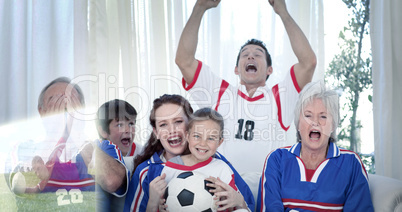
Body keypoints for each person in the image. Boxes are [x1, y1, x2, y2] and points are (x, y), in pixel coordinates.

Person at [175, 0, 317, 174]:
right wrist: (200, 8)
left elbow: (308, 62)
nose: (251, 57)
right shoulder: (220, 92)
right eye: (245, 55)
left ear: (269, 69)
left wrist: (284, 13)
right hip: (222, 191)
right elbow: (184, 60)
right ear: (236, 69)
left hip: (267, 192)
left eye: (257, 55)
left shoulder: (281, 97)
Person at [124, 94, 254, 212]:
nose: (172, 130)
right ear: (156, 132)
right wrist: (153, 203)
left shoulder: (217, 161)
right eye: (163, 125)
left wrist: (234, 200)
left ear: (190, 125)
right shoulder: (146, 171)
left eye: (178, 121)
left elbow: (247, 206)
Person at [257, 82, 374, 211]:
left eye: (323, 116)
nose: (315, 122)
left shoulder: (351, 163)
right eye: (308, 115)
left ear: (333, 125)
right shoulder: (276, 160)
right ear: (298, 123)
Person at [159, 107, 250, 211]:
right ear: (188, 137)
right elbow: (162, 203)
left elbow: (238, 206)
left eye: (211, 138)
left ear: (219, 142)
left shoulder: (222, 169)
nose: (203, 144)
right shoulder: (170, 168)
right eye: (197, 136)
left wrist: (235, 199)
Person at [94, 99, 142, 211]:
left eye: (131, 123)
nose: (128, 130)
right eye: (119, 125)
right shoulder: (98, 153)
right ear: (103, 131)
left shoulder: (143, 152)